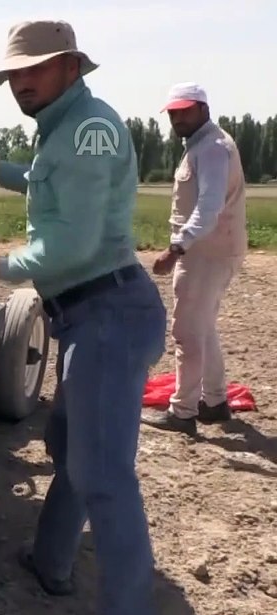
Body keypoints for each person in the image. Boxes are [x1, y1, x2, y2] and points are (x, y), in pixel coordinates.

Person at [0, 20, 167, 615]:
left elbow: (72, 243)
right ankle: (51, 560)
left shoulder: (89, 129)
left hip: (107, 311)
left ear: (72, 65)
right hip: (89, 316)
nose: (21, 82)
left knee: (104, 475)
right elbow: (51, 182)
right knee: (70, 441)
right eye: (14, 73)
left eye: (34, 70)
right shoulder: (62, 129)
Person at [141, 82, 248, 435]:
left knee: (186, 332)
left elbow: (209, 206)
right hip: (209, 250)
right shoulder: (203, 145)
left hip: (205, 253)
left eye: (184, 110)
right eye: (173, 112)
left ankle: (183, 411)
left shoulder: (213, 148)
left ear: (202, 108)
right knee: (202, 328)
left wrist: (176, 248)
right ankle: (215, 402)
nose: (177, 118)